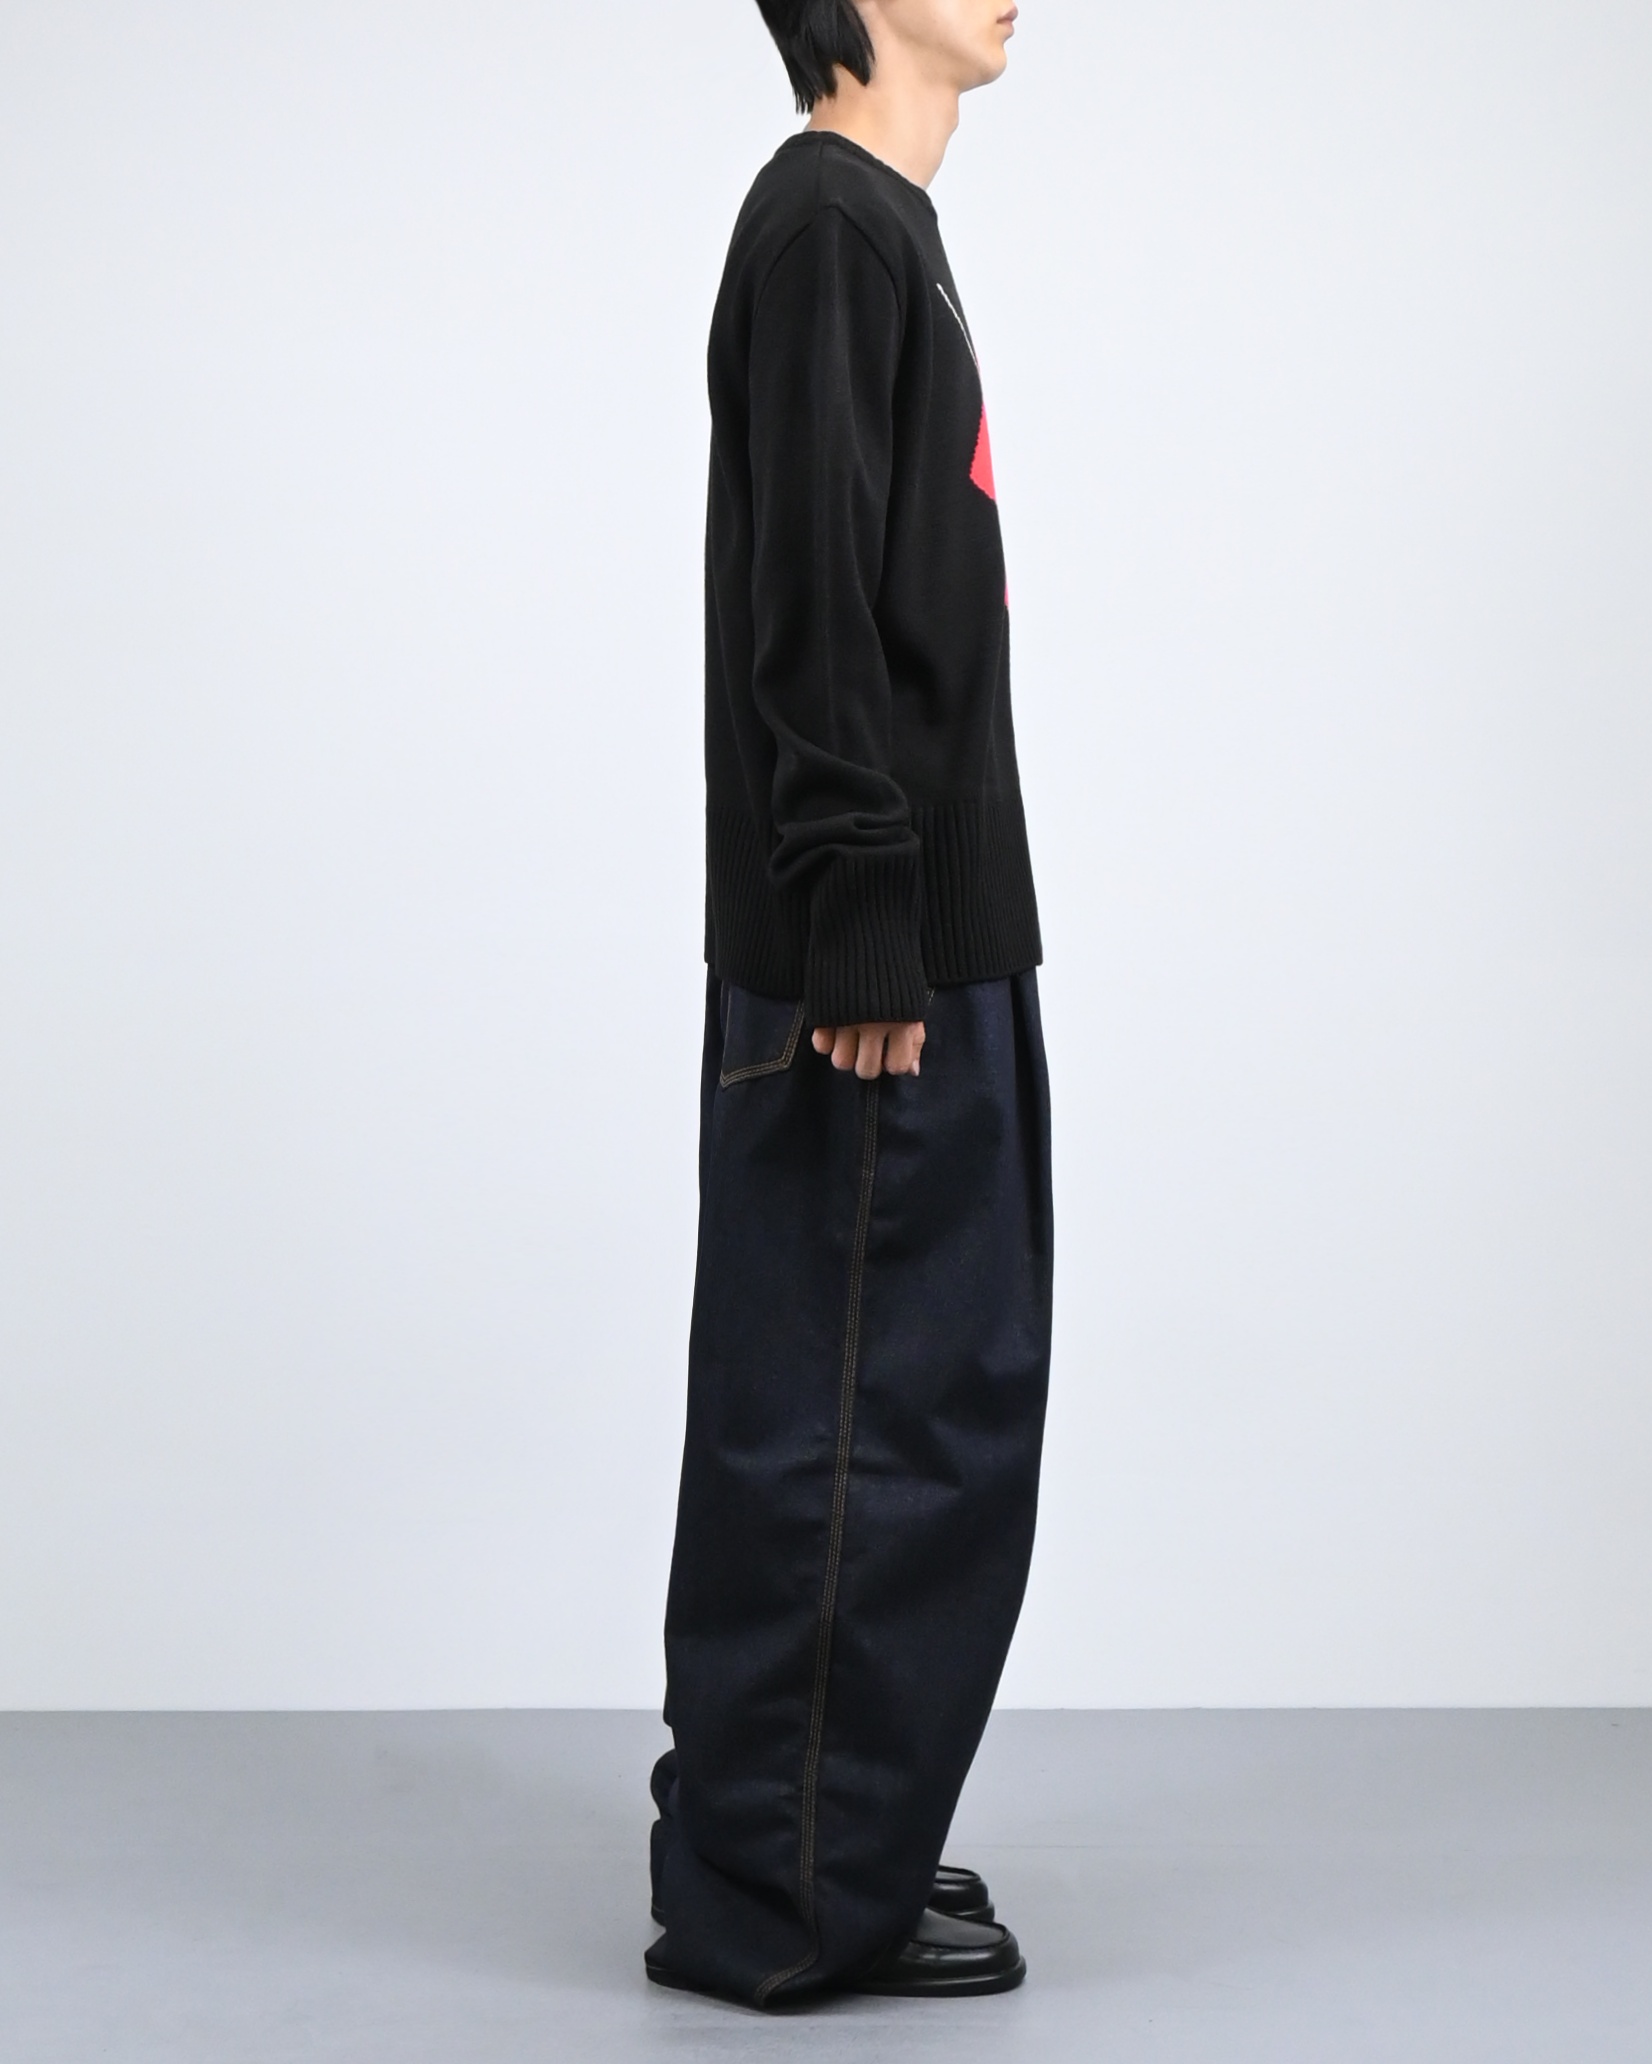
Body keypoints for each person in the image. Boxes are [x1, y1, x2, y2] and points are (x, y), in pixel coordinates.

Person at [646, 0, 1051, 2007]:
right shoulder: (824, 223)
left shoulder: (880, 224)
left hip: (928, 934)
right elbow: (807, 592)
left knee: (922, 1408)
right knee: (851, 1427)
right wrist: (860, 911)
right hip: (869, 957)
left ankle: (833, 1838)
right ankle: (783, 1893)